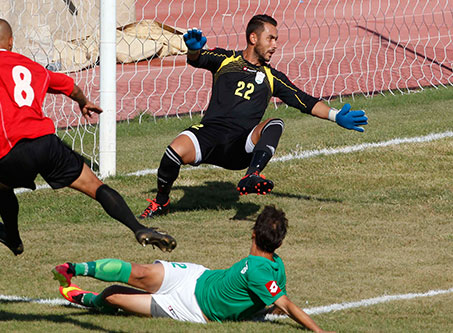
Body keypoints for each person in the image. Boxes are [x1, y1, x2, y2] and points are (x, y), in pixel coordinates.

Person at [139, 14, 367, 219]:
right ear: (253, 38)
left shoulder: (272, 77)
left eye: (276, 40)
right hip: (210, 134)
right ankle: (161, 202)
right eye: (271, 38)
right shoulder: (225, 59)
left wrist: (336, 116)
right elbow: (197, 59)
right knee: (172, 153)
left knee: (275, 123)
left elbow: (304, 101)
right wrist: (193, 49)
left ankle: (252, 176)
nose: (275, 45)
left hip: (241, 146)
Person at [0, 18, 176, 255]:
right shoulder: (33, 67)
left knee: (2, 187)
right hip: (46, 142)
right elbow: (69, 86)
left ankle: (13, 237)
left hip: (11, 148)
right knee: (96, 186)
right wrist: (83, 102)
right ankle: (138, 228)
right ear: (11, 42)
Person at [52, 206, 331, 332]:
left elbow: (285, 303)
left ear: (253, 233)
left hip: (190, 309)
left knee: (113, 295)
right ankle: (72, 268)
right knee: (140, 272)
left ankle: (84, 297)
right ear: (279, 241)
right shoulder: (275, 265)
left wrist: (318, 332)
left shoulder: (261, 271)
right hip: (195, 275)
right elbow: (278, 302)